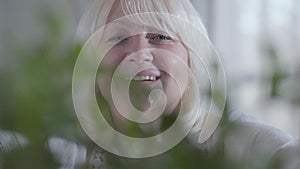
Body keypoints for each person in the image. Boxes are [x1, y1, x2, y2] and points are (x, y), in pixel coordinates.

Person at [50, 0, 300, 168]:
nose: (139, 53)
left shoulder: (244, 144)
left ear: (191, 58)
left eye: (160, 37)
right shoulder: (62, 152)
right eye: (118, 37)